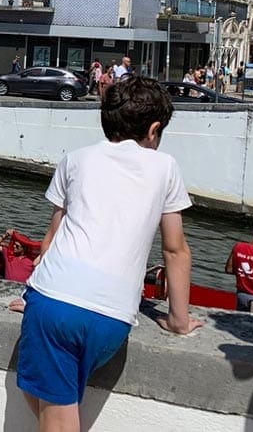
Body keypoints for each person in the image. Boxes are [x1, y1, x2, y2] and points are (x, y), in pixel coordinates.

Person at [16, 77, 201, 432]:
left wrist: (32, 293)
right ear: (154, 129)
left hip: (53, 299)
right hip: (112, 315)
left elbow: (52, 237)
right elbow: (175, 250)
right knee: (57, 409)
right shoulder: (165, 167)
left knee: (52, 408)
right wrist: (179, 320)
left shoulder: (76, 160)